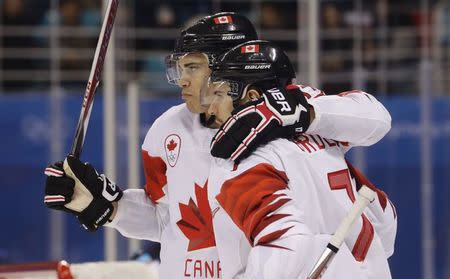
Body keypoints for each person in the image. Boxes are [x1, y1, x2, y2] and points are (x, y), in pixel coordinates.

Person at [44, 13, 392, 279]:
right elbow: (168, 220)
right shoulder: (167, 130)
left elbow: (374, 118)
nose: (182, 79)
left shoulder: (291, 108)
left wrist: (300, 111)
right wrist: (111, 207)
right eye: (179, 68)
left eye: (193, 67)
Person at [204, 40, 397, 278]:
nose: (211, 110)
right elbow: (385, 221)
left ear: (250, 95)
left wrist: (302, 113)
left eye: (219, 94)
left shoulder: (239, 158)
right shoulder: (312, 112)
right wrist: (305, 114)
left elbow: (286, 245)